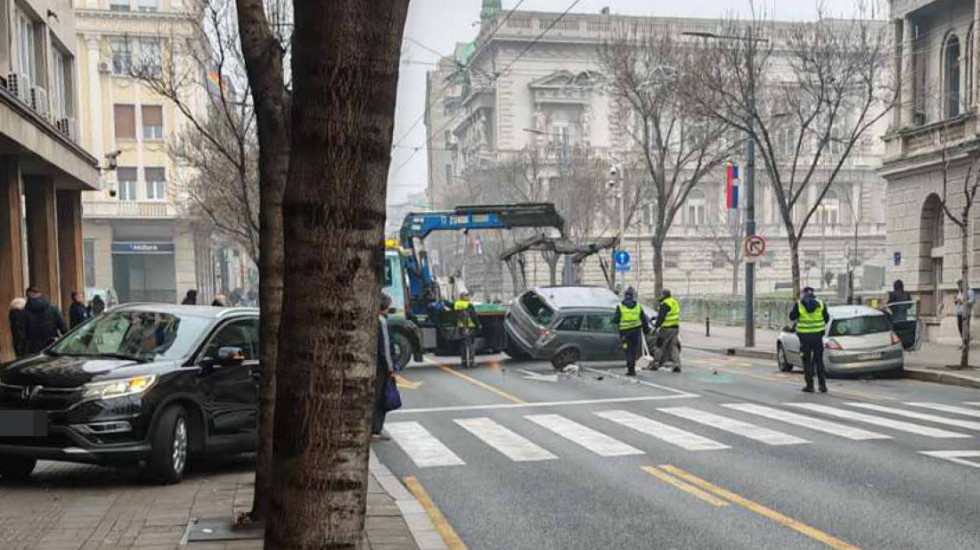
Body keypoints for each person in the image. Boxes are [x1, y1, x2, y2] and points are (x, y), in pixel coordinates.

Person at [790, 286, 830, 393]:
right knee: (819, 360)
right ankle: (822, 385)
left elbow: (792, 317)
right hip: (818, 336)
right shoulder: (821, 303)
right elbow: (826, 318)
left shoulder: (799, 304)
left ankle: (810, 385)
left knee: (807, 361)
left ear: (803, 293)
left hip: (805, 337)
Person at [612, 286, 651, 377]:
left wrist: (613, 322)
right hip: (635, 333)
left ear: (625, 296)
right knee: (633, 351)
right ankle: (632, 369)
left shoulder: (620, 306)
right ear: (633, 296)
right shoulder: (638, 306)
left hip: (625, 333)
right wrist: (646, 331)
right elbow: (643, 320)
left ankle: (630, 369)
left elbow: (616, 320)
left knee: (627, 350)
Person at [373, 293, 396, 441]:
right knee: (381, 397)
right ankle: (376, 429)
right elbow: (386, 348)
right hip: (381, 367)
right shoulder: (382, 322)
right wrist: (390, 368)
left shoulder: (371, 319)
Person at [23, 286, 67, 354]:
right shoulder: (52, 308)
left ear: (28, 296)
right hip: (51, 344)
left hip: (34, 347)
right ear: (40, 294)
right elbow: (63, 327)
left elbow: (23, 333)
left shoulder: (24, 312)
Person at [654, 289, 682, 372]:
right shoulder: (674, 302)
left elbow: (662, 317)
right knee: (673, 346)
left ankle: (656, 363)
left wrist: (656, 326)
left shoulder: (665, 304)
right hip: (675, 327)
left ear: (664, 295)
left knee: (660, 345)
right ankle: (677, 364)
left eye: (661, 295)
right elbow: (670, 313)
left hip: (666, 328)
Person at [454, 291, 481, 368]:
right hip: (469, 328)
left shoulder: (457, 305)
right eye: (467, 296)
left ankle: (464, 362)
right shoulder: (469, 306)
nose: (468, 297)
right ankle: (471, 362)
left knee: (463, 346)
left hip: (461, 328)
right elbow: (474, 317)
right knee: (471, 345)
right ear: (463, 297)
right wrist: (478, 326)